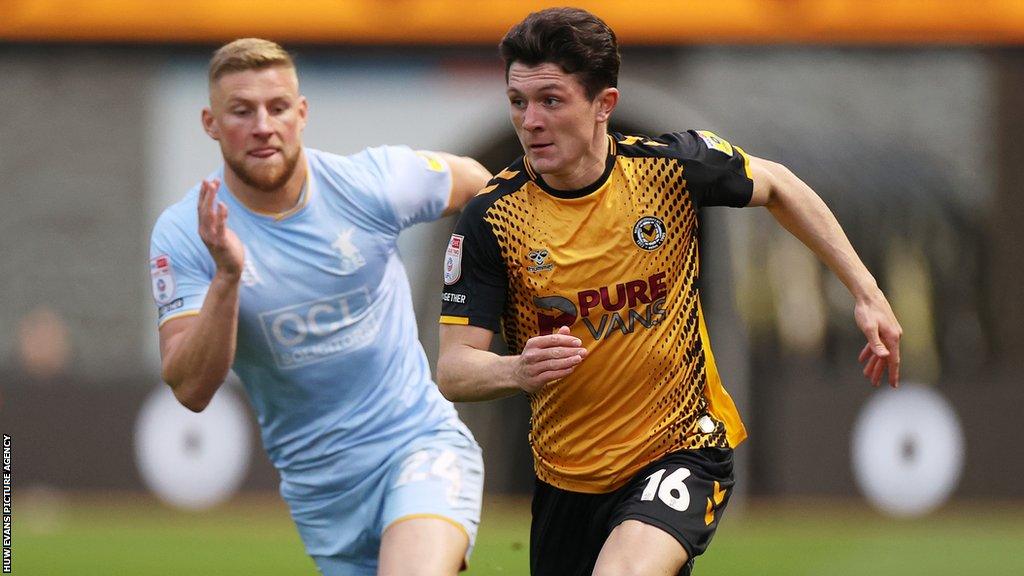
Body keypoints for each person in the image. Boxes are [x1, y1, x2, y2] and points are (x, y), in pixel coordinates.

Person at [436, 8, 902, 576]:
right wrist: (517, 370)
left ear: (603, 104)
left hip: (683, 446)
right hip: (568, 478)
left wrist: (866, 292)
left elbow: (779, 184)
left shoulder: (669, 170)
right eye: (518, 102)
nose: (530, 121)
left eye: (551, 101)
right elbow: (455, 370)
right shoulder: (493, 219)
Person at [149, 38, 491, 576]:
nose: (263, 125)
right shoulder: (188, 231)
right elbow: (190, 389)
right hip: (322, 495)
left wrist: (491, 297)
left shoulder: (370, 184)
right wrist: (227, 279)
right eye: (242, 111)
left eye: (277, 107)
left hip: (418, 447)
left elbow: (481, 184)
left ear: (301, 114)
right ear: (211, 123)